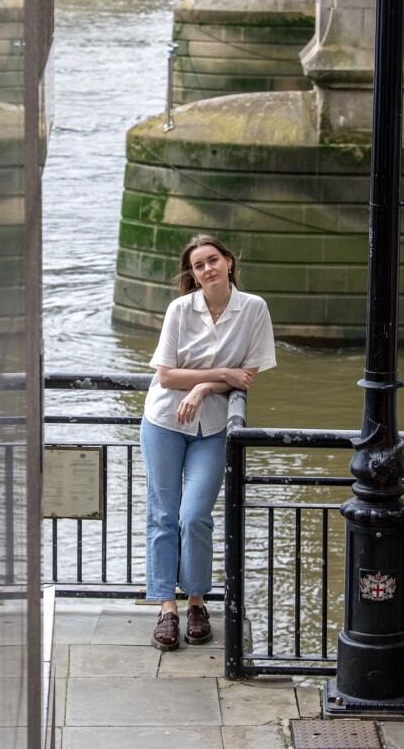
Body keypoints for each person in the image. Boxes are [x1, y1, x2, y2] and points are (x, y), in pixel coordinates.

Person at [142, 234, 276, 651]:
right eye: (198, 266)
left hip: (214, 425)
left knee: (195, 514)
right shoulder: (180, 310)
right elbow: (166, 376)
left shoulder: (253, 308)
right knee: (163, 514)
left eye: (213, 260)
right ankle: (167, 607)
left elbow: (247, 376)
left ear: (229, 262)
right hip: (164, 419)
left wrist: (200, 389)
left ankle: (197, 601)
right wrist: (216, 379)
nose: (207, 270)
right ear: (193, 275)